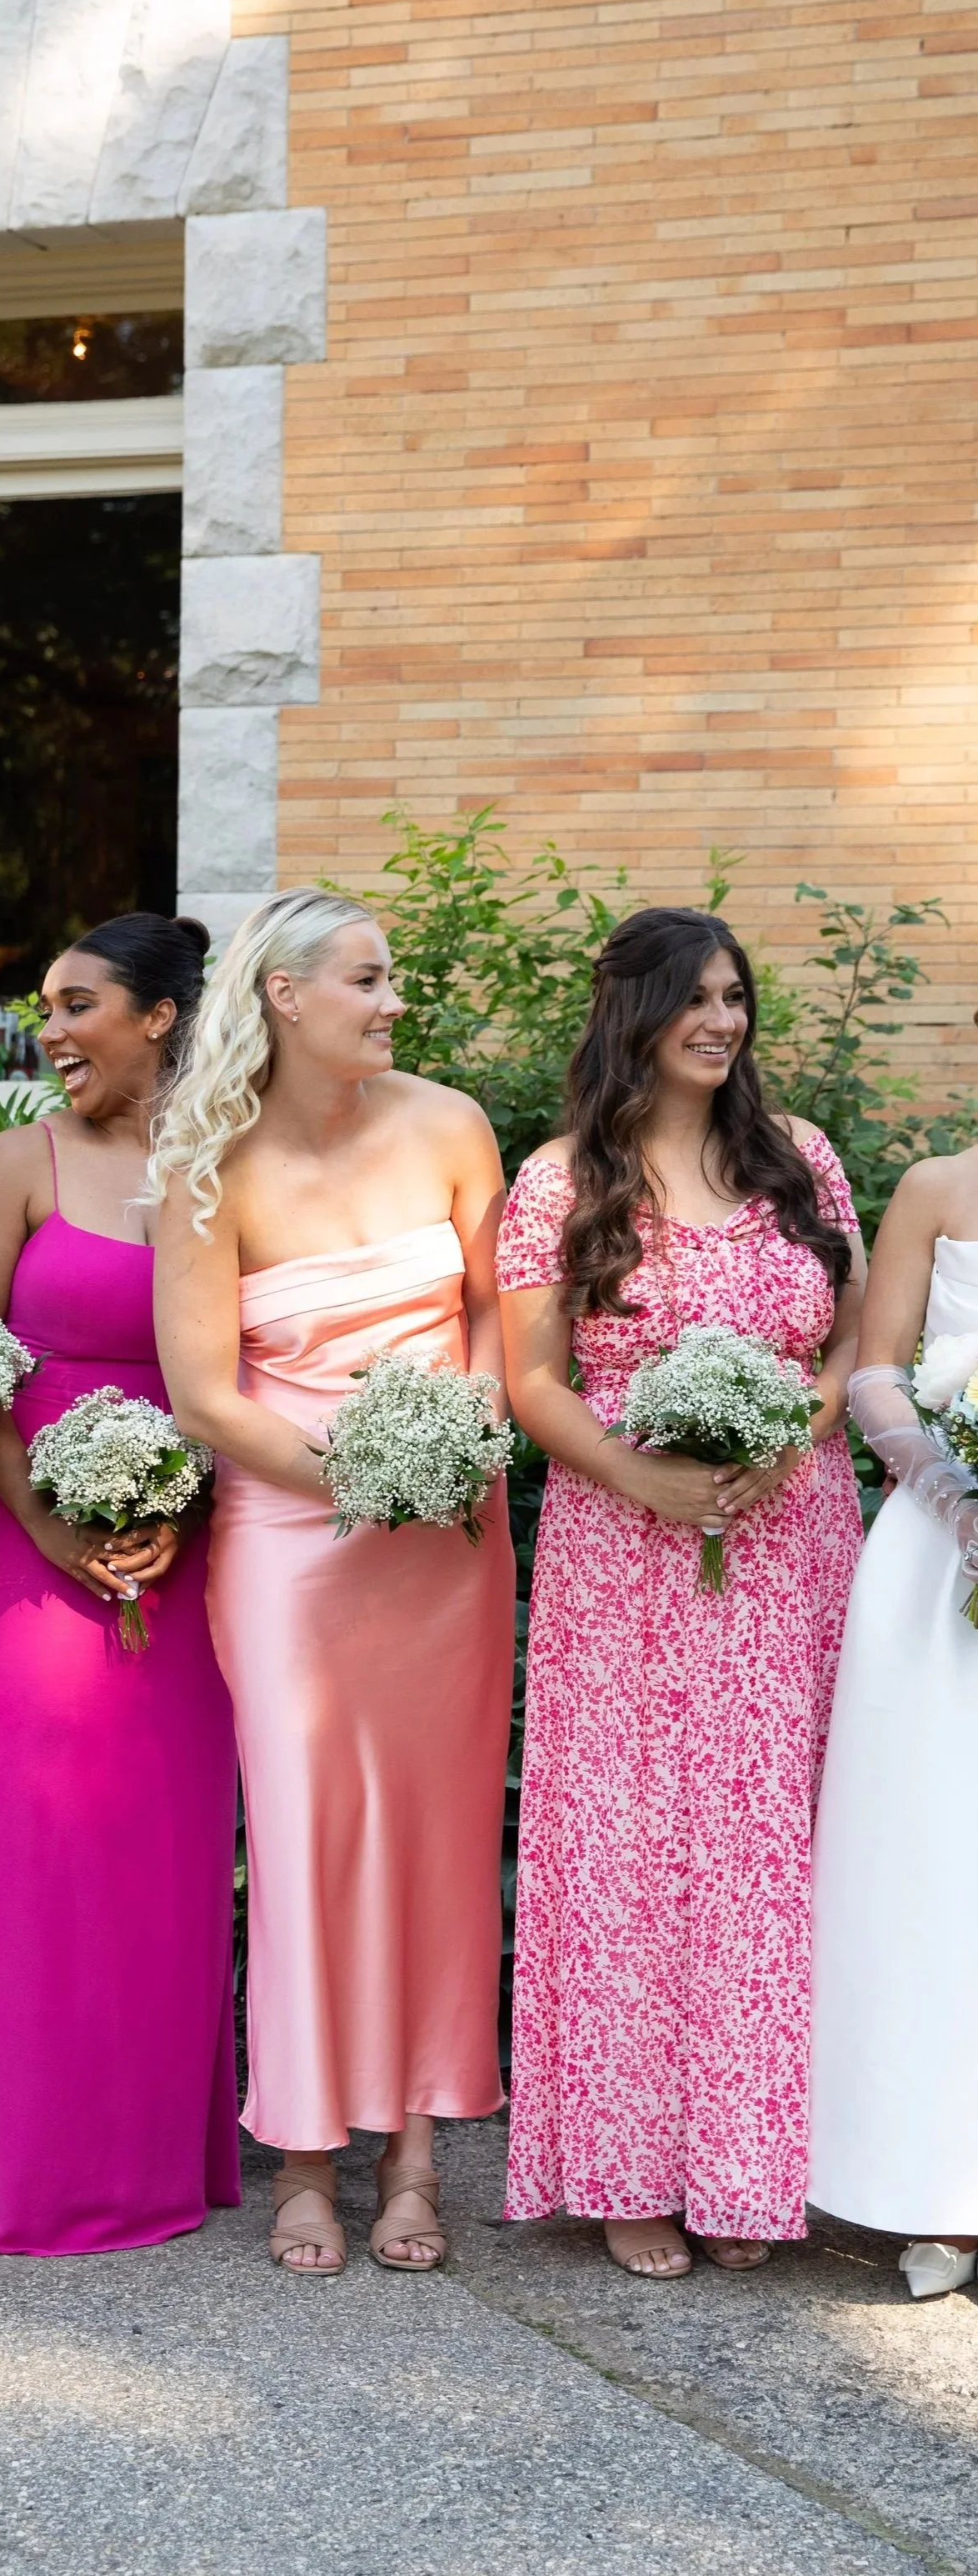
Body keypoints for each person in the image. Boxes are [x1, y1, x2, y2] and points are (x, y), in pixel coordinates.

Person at [497, 907, 865, 2280]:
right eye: (696, 998)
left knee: (769, 1853)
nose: (723, 1020)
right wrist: (642, 1482)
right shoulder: (557, 1182)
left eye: (736, 996)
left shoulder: (800, 1159)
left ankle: (751, 2161)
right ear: (634, 1011)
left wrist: (793, 1432)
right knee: (630, 1857)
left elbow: (856, 1340)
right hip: (623, 1552)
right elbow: (532, 1380)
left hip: (788, 1543)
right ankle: (627, 2166)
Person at [153, 890, 513, 2279]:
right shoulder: (209, 1160)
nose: (394, 1000)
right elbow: (201, 1394)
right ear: (288, 996)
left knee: (434, 1831)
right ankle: (305, 2151)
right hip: (294, 1549)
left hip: (444, 1542)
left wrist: (457, 1438)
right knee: (303, 1838)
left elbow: (492, 1309)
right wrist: (357, 1474)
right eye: (368, 978)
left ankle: (419, 2152)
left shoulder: (451, 1126)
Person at [0, 916, 242, 2255]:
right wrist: (43, 1521)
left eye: (77, 1003)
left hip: (179, 1543)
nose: (50, 1031)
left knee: (161, 1853)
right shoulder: (14, 1163)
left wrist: (190, 1502)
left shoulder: (224, 1168)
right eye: (46, 1007)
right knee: (39, 1851)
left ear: (161, 1019)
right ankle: (36, 2163)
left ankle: (163, 2152)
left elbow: (243, 1367)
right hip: (19, 1548)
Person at [810, 1145, 978, 2298]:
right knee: (935, 1860)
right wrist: (944, 1478)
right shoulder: (937, 1186)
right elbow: (878, 1372)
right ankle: (939, 2184)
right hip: (943, 1558)